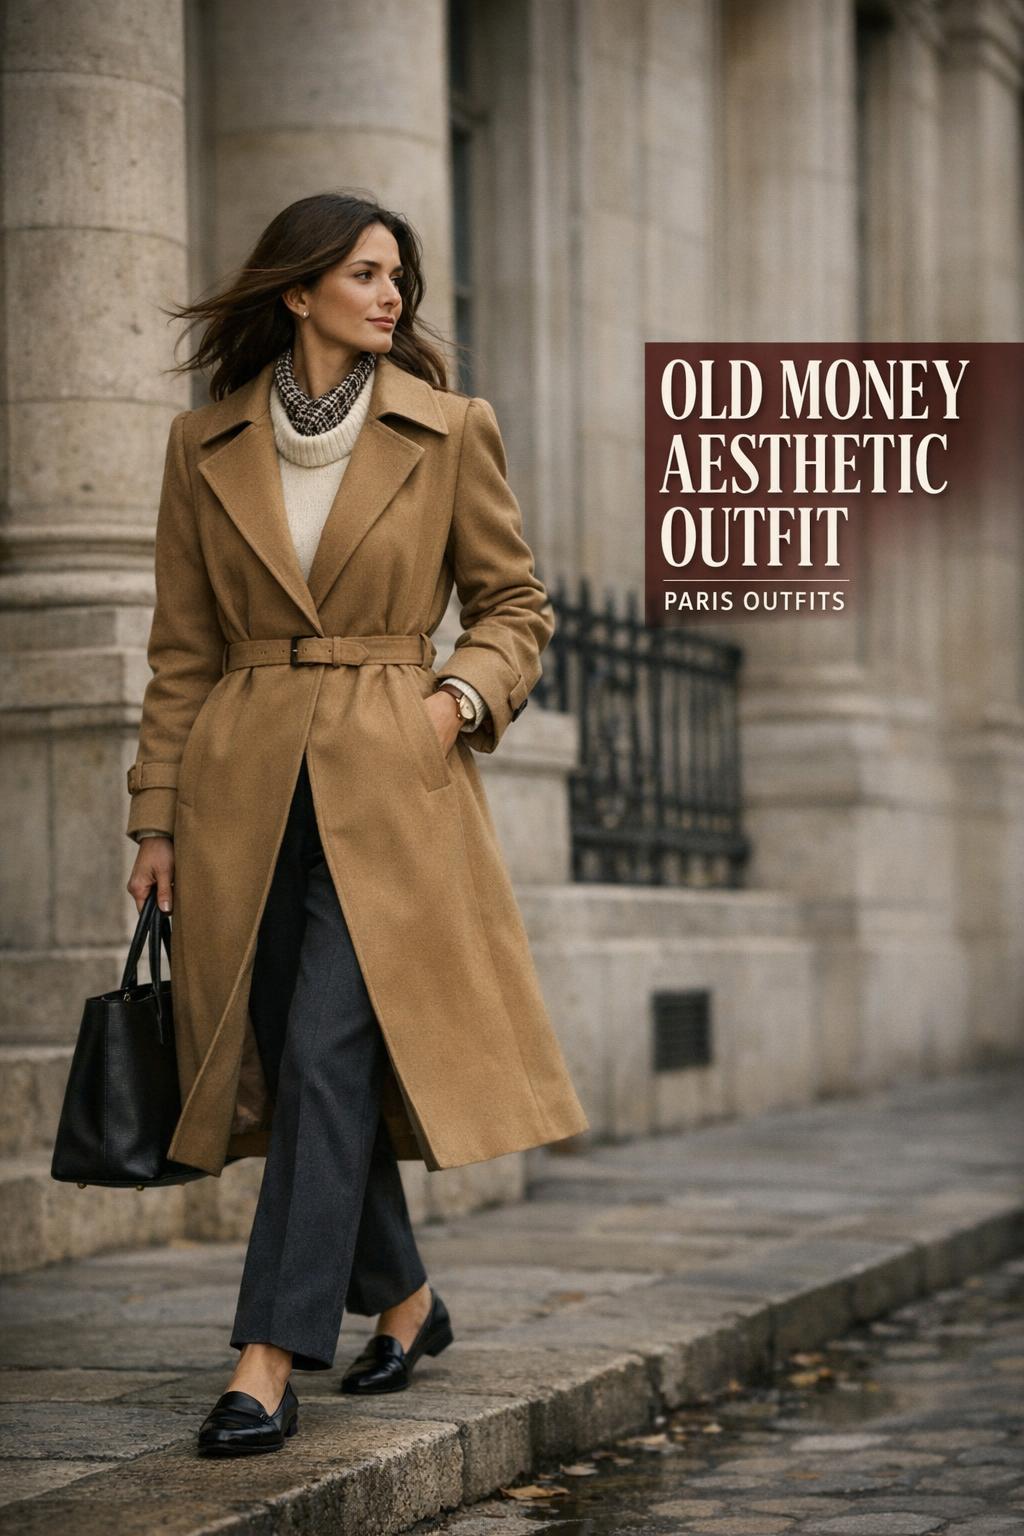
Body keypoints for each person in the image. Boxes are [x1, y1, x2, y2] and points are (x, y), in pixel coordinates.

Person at [124, 191, 589, 1457]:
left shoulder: (448, 431)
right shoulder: (203, 444)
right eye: (367, 274)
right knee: (302, 1051)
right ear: (297, 291)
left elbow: (515, 605)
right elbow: (182, 652)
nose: (393, 296)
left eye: (401, 278)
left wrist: (452, 702)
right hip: (240, 795)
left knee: (326, 1053)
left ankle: (265, 1358)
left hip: (393, 786)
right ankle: (408, 1299)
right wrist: (155, 818)